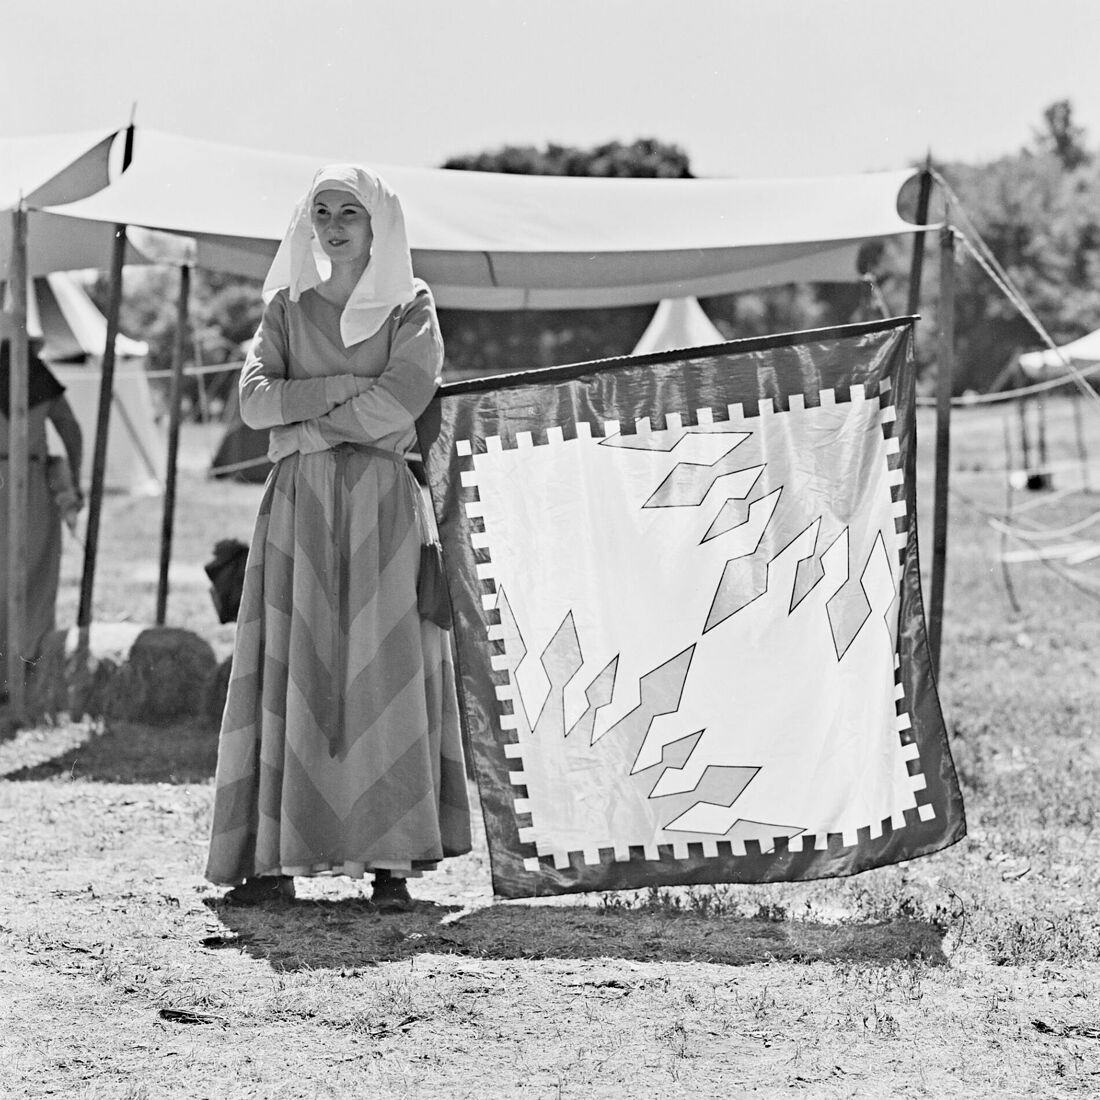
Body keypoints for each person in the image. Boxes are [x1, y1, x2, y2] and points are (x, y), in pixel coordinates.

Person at [205, 164, 472, 909]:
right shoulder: (287, 306)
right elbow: (255, 404)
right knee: (295, 663)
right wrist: (341, 394)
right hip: (299, 508)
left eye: (348, 211)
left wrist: (311, 429)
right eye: (320, 210)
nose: (331, 225)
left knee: (382, 669)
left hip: (382, 506)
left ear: (378, 221)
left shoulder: (411, 305)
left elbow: (403, 399)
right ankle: (273, 859)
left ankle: (391, 862)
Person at [0, 330, 83, 703]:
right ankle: (19, 673)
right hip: (27, 484)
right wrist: (73, 479)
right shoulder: (37, 375)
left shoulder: (37, 375)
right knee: (31, 577)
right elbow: (71, 429)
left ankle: (19, 674)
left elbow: (71, 429)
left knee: (28, 576)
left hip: (29, 482)